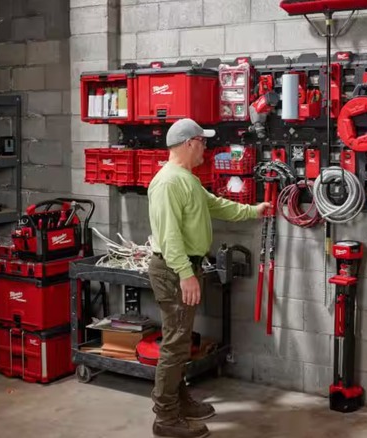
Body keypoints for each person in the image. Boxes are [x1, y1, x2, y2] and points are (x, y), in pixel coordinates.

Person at [147, 118, 269, 438]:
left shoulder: (186, 179)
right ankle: (165, 417)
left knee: (181, 339)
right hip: (175, 270)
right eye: (203, 142)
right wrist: (186, 274)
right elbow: (170, 236)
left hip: (185, 268)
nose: (206, 148)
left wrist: (254, 211)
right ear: (189, 143)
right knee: (175, 345)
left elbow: (217, 206)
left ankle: (179, 398)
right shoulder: (168, 182)